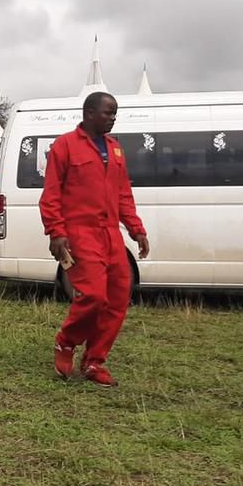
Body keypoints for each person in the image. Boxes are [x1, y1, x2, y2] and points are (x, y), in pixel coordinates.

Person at [39, 91, 149, 387]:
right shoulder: (65, 146)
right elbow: (51, 194)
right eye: (108, 113)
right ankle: (66, 342)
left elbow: (123, 193)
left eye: (115, 113)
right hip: (80, 233)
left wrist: (136, 228)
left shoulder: (115, 149)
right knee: (94, 296)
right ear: (89, 113)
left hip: (111, 234)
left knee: (118, 297)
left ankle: (94, 361)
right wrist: (56, 232)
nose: (113, 118)